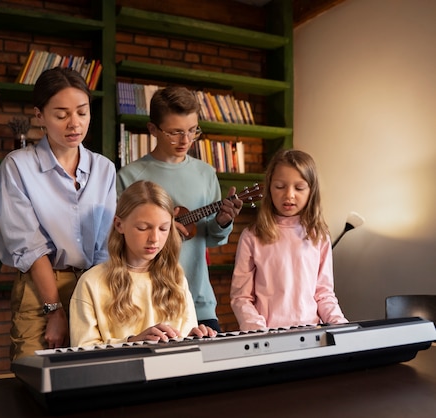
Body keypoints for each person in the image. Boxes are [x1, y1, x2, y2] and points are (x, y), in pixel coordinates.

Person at [0, 67, 117, 359]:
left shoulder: (104, 169)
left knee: (93, 373)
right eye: (61, 115)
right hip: (40, 289)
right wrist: (54, 309)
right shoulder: (18, 166)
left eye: (82, 112)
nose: (74, 124)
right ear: (40, 116)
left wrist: (100, 299)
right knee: (36, 377)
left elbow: (105, 246)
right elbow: (30, 247)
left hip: (93, 283)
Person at [116, 86, 243, 332]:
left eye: (192, 131)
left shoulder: (206, 174)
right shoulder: (128, 176)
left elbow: (213, 239)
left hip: (198, 299)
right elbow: (117, 240)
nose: (185, 140)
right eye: (175, 133)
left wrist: (223, 222)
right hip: (146, 304)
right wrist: (161, 231)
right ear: (153, 129)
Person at [70, 180, 217, 347]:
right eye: (142, 228)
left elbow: (184, 336)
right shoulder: (91, 282)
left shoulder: (176, 277)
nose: (154, 238)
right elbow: (82, 351)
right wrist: (132, 343)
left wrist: (193, 337)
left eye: (163, 229)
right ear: (119, 225)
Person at [230, 149, 348, 331]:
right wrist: (258, 331)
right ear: (269, 188)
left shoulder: (319, 235)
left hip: (311, 334)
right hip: (267, 336)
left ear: (311, 191)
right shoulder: (252, 235)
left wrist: (340, 325)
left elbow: (324, 294)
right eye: (280, 186)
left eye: (299, 188)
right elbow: (241, 297)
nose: (289, 195)